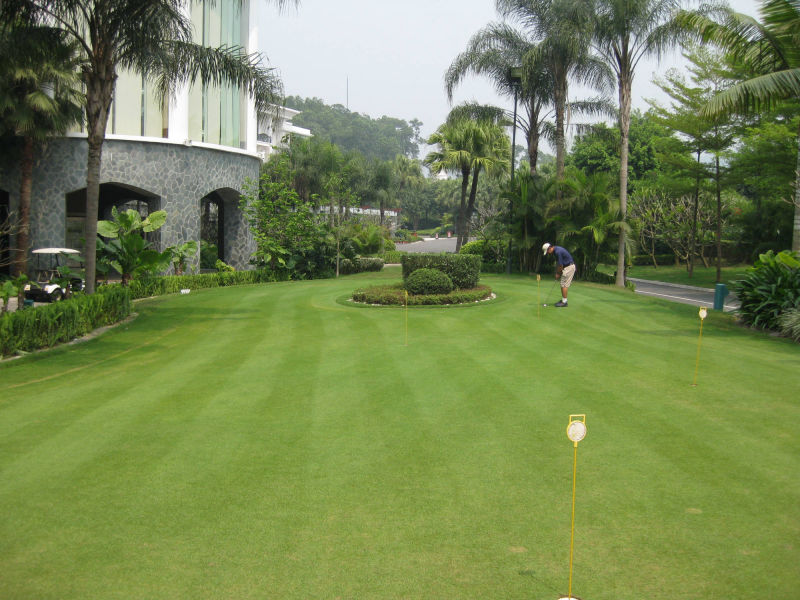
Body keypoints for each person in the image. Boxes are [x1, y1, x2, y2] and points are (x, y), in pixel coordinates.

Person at [542, 242, 575, 307]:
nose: (548, 253)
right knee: (562, 284)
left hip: (569, 267)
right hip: (567, 267)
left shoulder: (557, 252)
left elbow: (560, 265)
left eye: (547, 251)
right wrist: (558, 272)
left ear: (549, 248)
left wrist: (558, 274)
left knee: (564, 284)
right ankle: (563, 300)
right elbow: (559, 263)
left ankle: (564, 302)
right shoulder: (556, 250)